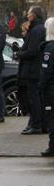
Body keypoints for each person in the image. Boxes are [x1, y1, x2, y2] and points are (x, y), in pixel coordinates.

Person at [16, 6, 47, 135]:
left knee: (34, 99)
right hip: (33, 69)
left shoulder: (36, 30)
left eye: (29, 13)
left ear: (34, 15)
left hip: (33, 70)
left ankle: (36, 124)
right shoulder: (36, 29)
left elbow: (33, 50)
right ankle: (34, 123)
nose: (27, 15)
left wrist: (20, 54)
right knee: (35, 98)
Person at [40, 17, 54, 156]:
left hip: (51, 90)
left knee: (51, 117)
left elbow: (46, 71)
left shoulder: (49, 48)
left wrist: (41, 87)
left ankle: (52, 146)